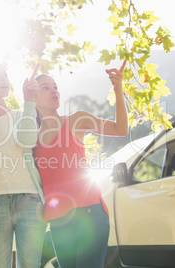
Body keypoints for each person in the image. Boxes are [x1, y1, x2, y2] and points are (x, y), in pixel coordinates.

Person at [33, 61, 128, 268]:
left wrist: (118, 90)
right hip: (59, 221)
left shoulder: (76, 120)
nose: (54, 91)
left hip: (90, 212)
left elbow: (120, 129)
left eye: (55, 87)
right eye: (46, 88)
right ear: (33, 96)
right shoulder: (32, 140)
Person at [0, 63, 47, 267]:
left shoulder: (22, 114)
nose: (4, 79)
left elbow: (28, 141)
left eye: (5, 75)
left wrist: (29, 102)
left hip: (29, 201)